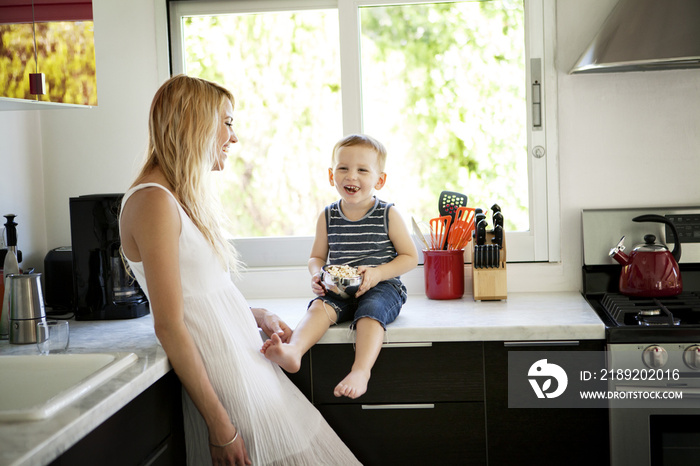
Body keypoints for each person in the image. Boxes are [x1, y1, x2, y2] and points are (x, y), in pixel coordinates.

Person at [119, 75, 360, 466]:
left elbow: (202, 297)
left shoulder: (177, 197)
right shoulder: (153, 202)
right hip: (226, 383)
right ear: (195, 123)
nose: (234, 138)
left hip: (245, 366)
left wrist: (257, 315)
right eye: (227, 122)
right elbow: (170, 324)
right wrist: (220, 426)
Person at [261, 134, 418, 399]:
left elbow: (410, 257)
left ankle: (361, 370)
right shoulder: (328, 215)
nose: (351, 176)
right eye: (343, 168)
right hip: (339, 288)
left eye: (362, 170)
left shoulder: (388, 214)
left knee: (370, 310)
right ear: (331, 175)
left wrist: (378, 273)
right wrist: (317, 274)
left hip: (382, 287)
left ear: (379, 180)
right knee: (319, 307)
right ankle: (294, 351)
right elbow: (316, 258)